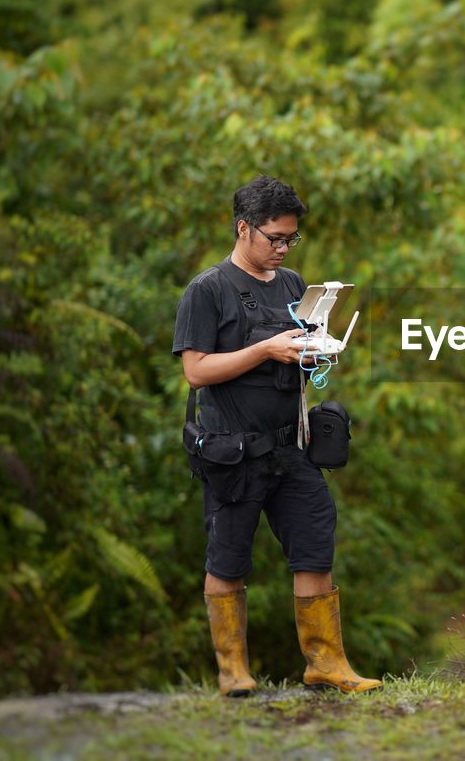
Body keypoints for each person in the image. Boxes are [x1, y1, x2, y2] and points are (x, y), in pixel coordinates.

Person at [172, 175, 380, 697]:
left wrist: (311, 353)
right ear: (244, 229)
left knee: (315, 547)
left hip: (293, 448)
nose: (284, 249)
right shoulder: (208, 289)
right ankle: (233, 671)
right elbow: (196, 371)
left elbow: (294, 359)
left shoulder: (292, 286)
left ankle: (326, 663)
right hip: (233, 452)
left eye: (291, 239)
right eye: (275, 238)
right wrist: (266, 350)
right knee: (228, 558)